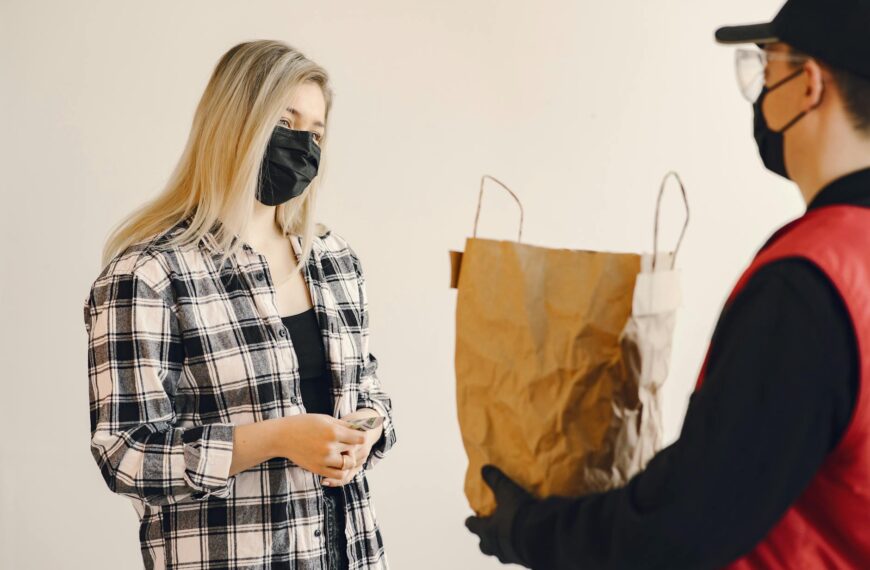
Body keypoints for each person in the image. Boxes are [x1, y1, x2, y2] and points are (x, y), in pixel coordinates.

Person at [465, 0, 870, 568]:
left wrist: (530, 531)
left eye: (766, 70)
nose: (758, 95)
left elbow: (684, 525)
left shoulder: (809, 281)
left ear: (809, 85)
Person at [83, 40, 396, 569]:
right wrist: (276, 439)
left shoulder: (334, 259)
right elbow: (127, 455)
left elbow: (369, 389)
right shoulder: (149, 275)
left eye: (314, 132)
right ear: (234, 122)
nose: (302, 145)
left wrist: (369, 429)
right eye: (285, 121)